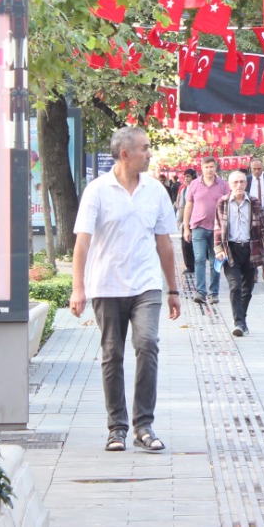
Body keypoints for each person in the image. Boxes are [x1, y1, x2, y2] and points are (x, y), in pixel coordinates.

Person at [70, 126, 181, 453]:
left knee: (147, 344)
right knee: (111, 355)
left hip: (146, 285)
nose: (149, 153)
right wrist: (79, 288)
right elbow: (82, 243)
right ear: (125, 154)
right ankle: (116, 428)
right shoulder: (97, 191)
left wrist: (173, 289)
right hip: (106, 285)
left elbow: (164, 243)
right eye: (145, 148)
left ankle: (143, 425)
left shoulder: (156, 190)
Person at [214, 170, 264, 337]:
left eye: (242, 182)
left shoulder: (254, 202)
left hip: (250, 249)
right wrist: (218, 249)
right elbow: (217, 227)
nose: (239, 185)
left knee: (248, 288)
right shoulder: (223, 202)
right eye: (235, 182)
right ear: (229, 185)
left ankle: (242, 319)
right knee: (235, 286)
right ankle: (238, 322)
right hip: (230, 250)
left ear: (246, 184)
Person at [181, 158, 230, 306]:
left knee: (215, 261)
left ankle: (214, 292)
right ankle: (201, 291)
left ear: (215, 168)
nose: (209, 169)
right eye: (206, 167)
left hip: (217, 228)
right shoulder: (194, 185)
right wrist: (186, 228)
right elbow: (188, 205)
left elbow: (228, 205)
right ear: (201, 168)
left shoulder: (223, 185)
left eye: (212, 167)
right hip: (198, 227)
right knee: (200, 258)